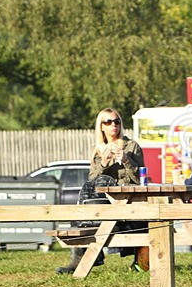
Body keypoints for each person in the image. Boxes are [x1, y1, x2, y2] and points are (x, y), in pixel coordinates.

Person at [57, 108, 146, 274]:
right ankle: (79, 260)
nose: (114, 125)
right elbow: (92, 181)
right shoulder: (97, 149)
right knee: (80, 214)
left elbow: (140, 179)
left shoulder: (132, 146)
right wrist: (104, 163)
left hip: (126, 200)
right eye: (108, 122)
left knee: (87, 212)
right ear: (101, 126)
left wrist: (126, 160)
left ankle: (91, 257)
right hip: (103, 201)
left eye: (117, 121)